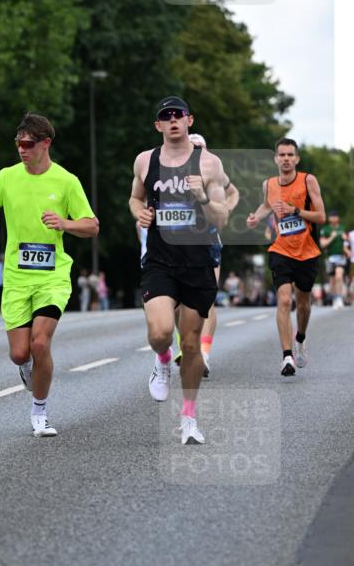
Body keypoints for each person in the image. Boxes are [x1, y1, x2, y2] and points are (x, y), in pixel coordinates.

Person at [0, 113, 99, 437]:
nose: (22, 149)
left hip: (52, 276)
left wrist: (65, 223)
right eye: (18, 143)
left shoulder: (66, 181)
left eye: (28, 144)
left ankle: (40, 412)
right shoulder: (6, 177)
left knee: (41, 342)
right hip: (17, 278)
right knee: (20, 353)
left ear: (46, 143)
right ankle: (27, 367)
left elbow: (92, 225)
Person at [129, 96, 228, 445]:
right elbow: (135, 197)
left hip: (197, 261)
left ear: (189, 120)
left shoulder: (209, 164)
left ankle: (189, 418)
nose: (172, 120)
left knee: (190, 343)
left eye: (178, 115)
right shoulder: (145, 160)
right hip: (159, 260)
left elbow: (221, 217)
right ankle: (162, 358)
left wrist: (203, 198)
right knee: (160, 332)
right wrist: (139, 213)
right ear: (158, 125)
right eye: (165, 116)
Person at [246, 137, 326, 375]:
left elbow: (321, 216)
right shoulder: (269, 184)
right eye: (282, 155)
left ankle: (300, 338)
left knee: (303, 305)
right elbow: (266, 205)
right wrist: (256, 217)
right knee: (283, 300)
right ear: (275, 159)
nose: (286, 159)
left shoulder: (308, 180)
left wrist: (295, 210)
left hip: (307, 251)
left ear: (297, 159)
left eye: (290, 155)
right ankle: (287, 357)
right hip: (280, 249)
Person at [173, 132, 240, 377]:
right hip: (178, 243)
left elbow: (234, 193)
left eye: (200, 149)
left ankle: (204, 352)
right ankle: (187, 346)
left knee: (207, 299)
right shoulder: (171, 170)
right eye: (192, 148)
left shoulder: (214, 171)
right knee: (177, 303)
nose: (196, 153)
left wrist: (225, 209)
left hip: (208, 240)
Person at [320, 211, 349, 310]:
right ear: (329, 218)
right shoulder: (325, 229)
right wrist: (332, 237)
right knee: (332, 280)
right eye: (332, 216)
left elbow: (346, 243)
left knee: (339, 276)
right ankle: (334, 299)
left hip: (340, 257)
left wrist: (346, 240)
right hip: (330, 257)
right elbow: (322, 244)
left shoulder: (342, 228)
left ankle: (339, 298)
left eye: (335, 216)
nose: (334, 218)